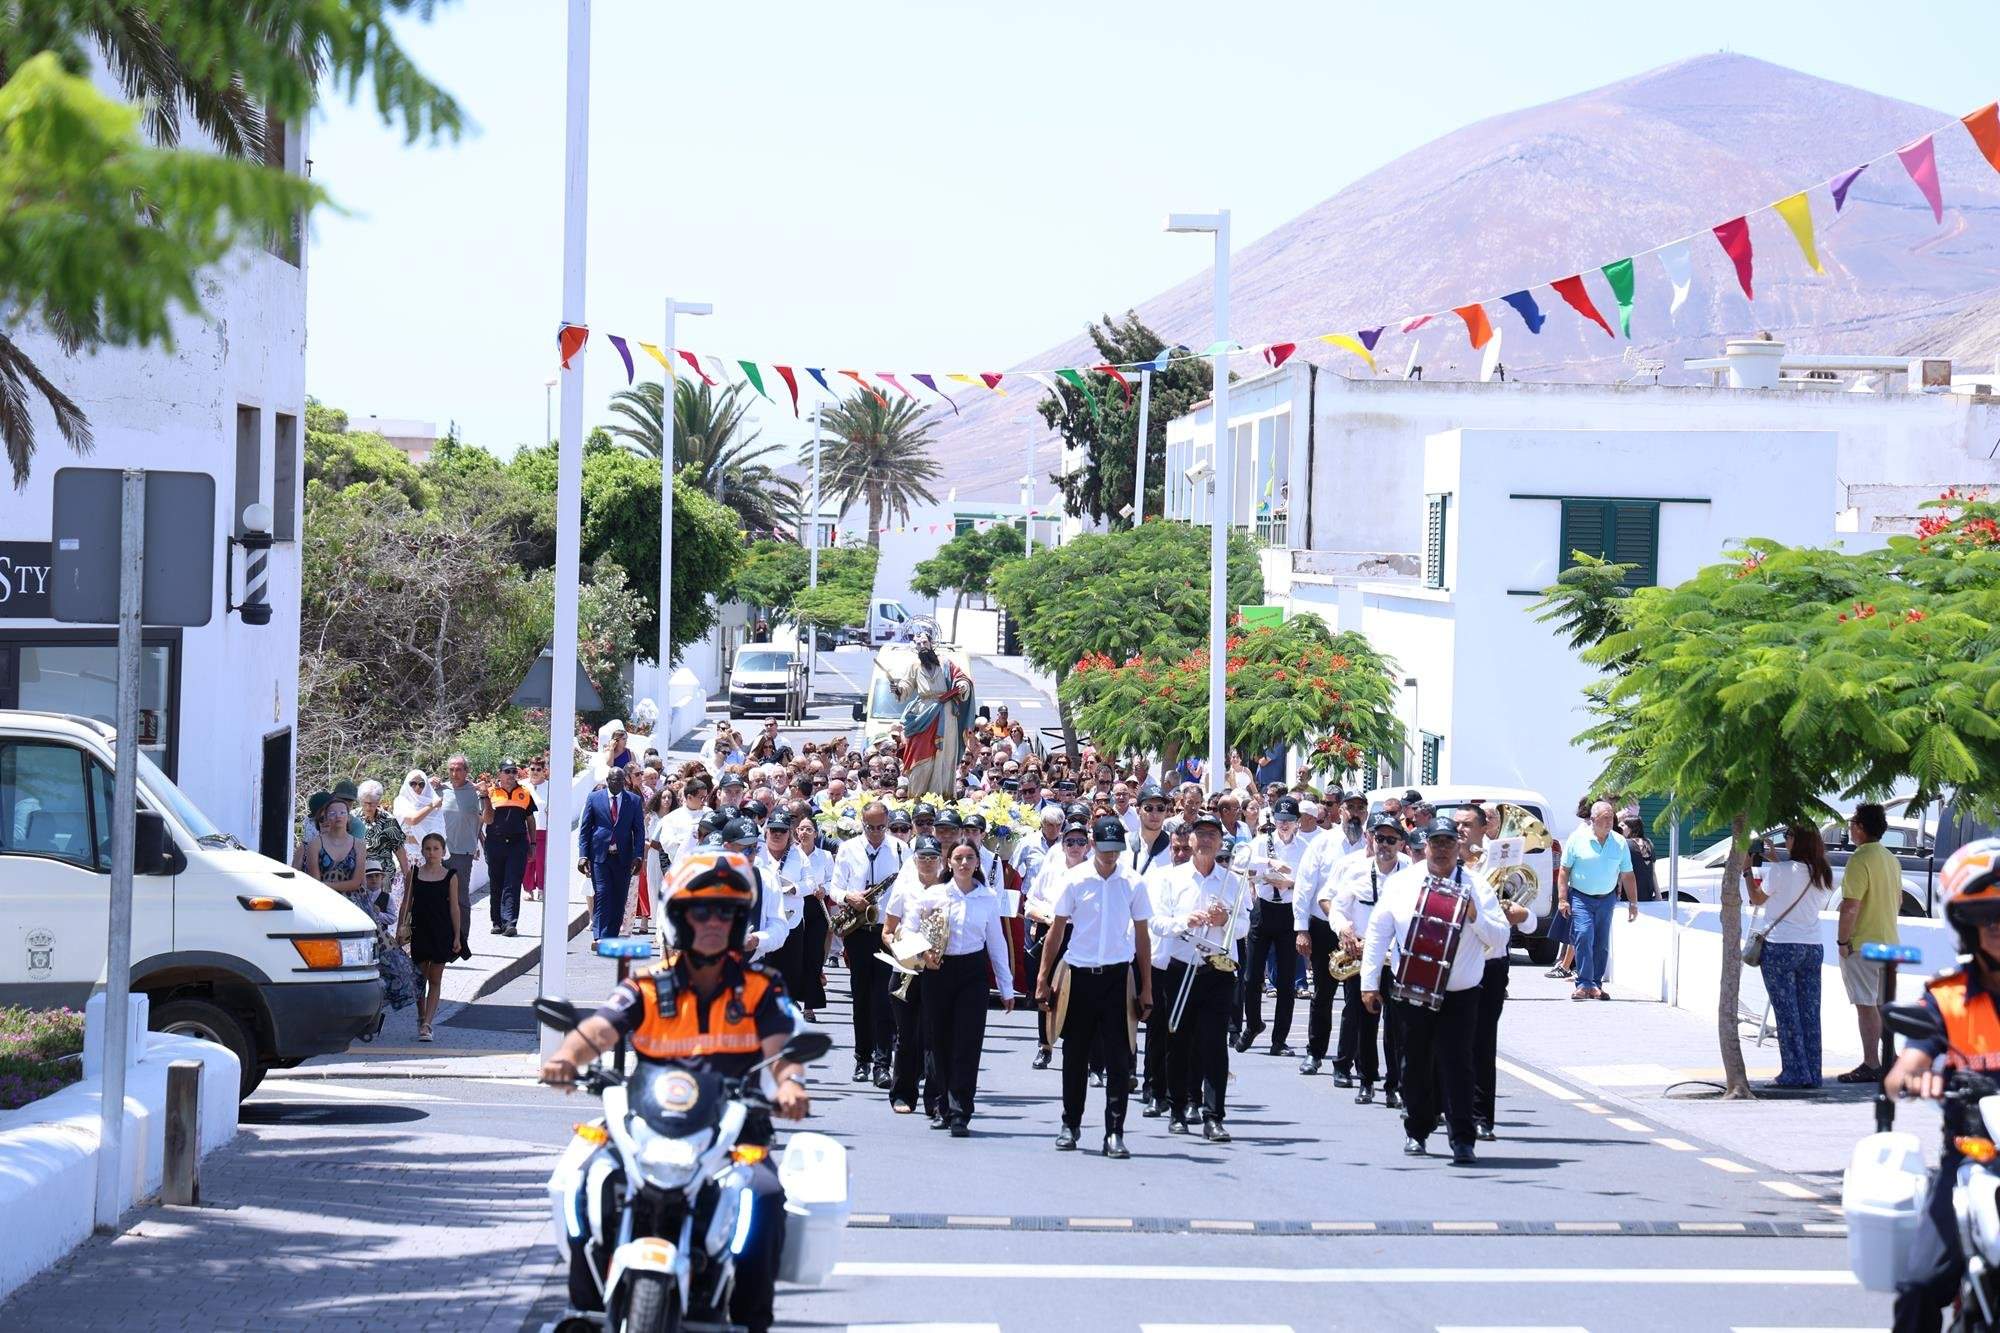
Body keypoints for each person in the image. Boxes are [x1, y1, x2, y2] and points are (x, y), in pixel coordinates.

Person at [540, 850, 809, 1333]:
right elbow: (602, 1028)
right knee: (581, 1180)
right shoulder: (649, 984)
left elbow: (781, 1050)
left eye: (726, 912)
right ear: (680, 917)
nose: (714, 921)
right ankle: (583, 1307)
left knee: (765, 1196)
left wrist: (788, 1085)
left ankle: (751, 1321)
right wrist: (565, 1060)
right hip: (647, 1121)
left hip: (734, 1131)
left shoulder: (760, 989)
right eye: (701, 910)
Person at [1879, 838, 2000, 1333]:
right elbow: (1903, 1067)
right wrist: (1914, 1077)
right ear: (1967, 926)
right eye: (1989, 918)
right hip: (1972, 1161)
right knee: (1919, 1286)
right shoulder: (1947, 997)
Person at [1360, 817, 1512, 1165]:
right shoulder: (1401, 883)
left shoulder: (1477, 886)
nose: (1441, 849)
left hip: (1460, 994)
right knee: (1413, 1063)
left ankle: (1462, 1139)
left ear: (1458, 847)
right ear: (1424, 846)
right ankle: (1417, 1130)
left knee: (1459, 1064)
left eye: (1448, 843)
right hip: (1412, 990)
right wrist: (1369, 984)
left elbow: (1500, 939)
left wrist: (1476, 916)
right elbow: (1378, 933)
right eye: (1436, 843)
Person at [1036, 815, 1153, 1158]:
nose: (1110, 856)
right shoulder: (1074, 880)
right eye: (1104, 849)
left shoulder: (1133, 883)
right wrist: (1043, 979)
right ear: (1092, 845)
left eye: (1115, 850)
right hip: (1078, 976)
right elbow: (1056, 931)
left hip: (1118, 977)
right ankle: (1070, 1124)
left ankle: (1114, 1132)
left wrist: (1146, 987)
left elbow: (1143, 937)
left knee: (1120, 1057)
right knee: (1075, 1054)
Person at [1152, 811, 1251, 1139]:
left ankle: (1213, 1116)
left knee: (1214, 1045)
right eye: (1201, 834)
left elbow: (1244, 927)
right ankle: (1177, 1109)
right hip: (1182, 967)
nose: (1206, 839)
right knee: (1177, 1041)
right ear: (1189, 839)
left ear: (1221, 841)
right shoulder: (1170, 878)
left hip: (1218, 969)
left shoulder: (1233, 881)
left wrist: (1224, 920)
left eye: (1213, 834)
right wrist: (1187, 921)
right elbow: (1158, 923)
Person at [910, 843, 1015, 1135]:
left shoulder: (987, 897)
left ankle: (960, 1111)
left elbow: (996, 943)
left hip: (972, 972)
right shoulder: (935, 895)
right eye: (959, 858)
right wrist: (922, 953)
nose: (964, 863)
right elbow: (910, 928)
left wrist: (1006, 986)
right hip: (938, 970)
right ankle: (942, 1104)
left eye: (970, 858)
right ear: (949, 862)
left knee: (967, 1042)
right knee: (938, 1040)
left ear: (977, 862)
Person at [1457, 806, 1536, 1140]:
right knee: (1446, 1039)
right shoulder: (1440, 862)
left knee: (1482, 1041)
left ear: (1485, 828)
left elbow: (1528, 920)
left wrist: (1516, 914)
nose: (1460, 830)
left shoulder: (1503, 865)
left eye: (1468, 824)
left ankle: (1480, 1116)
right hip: (1453, 961)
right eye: (1456, 824)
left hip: (1491, 962)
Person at [1747, 823, 1834, 1090]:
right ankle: (1812, 1071)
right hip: (1812, 946)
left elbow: (1757, 899)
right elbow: (1795, 881)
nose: (1785, 839)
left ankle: (1794, 1072)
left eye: (1789, 836)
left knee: (1787, 1013)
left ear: (1800, 841)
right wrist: (1777, 861)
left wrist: (1745, 870)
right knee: (1810, 1012)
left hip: (1781, 945)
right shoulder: (1823, 872)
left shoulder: (1780, 871)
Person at [1329, 813, 1407, 1103]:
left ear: (1401, 843)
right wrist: (1344, 928)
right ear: (1371, 839)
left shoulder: (1410, 872)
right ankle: (1366, 1080)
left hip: (1397, 959)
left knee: (1396, 1026)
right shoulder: (1356, 871)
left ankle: (1394, 1086)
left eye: (1391, 839)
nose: (1384, 844)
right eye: (1379, 838)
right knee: (1365, 1022)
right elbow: (1337, 907)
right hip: (1363, 955)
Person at [831, 800, 905, 1086]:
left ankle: (882, 1062)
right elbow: (836, 887)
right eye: (869, 827)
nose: (875, 833)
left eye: (880, 827)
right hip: (859, 930)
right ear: (861, 824)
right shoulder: (849, 849)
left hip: (887, 929)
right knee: (861, 996)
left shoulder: (900, 849)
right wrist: (849, 897)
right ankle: (862, 1058)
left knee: (884, 998)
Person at [881, 834, 948, 1119]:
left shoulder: (949, 890)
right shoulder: (904, 888)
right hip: (906, 969)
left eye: (933, 857)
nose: (928, 862)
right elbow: (887, 931)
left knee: (935, 1038)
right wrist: (903, 950)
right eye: (923, 857)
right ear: (915, 859)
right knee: (907, 1036)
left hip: (937, 970)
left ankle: (934, 1098)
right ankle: (902, 1093)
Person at [1239, 797, 1308, 1056]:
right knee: (1251, 975)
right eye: (1280, 820)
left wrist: (1288, 884)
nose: (1284, 825)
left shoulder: (1304, 847)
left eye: (1289, 821)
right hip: (1264, 909)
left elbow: (1307, 882)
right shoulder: (1262, 842)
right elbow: (1243, 865)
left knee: (1287, 979)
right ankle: (1253, 1024)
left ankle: (1279, 1040)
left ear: (1297, 822)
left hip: (1288, 913)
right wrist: (1268, 866)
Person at [1839, 802, 1902, 1083]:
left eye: (1852, 824)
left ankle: (1872, 1062)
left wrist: (1843, 941)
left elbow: (1850, 906)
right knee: (1883, 1005)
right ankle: (1891, 1057)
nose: (1850, 829)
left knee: (1866, 1005)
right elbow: (1898, 900)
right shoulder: (1891, 859)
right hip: (1890, 941)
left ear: (1861, 827)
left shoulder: (1859, 859)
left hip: (1863, 944)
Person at [1024, 817, 1091, 1070]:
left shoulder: (1094, 871)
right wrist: (1046, 917)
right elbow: (1031, 901)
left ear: (1088, 845)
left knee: (1080, 992)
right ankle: (1045, 1045)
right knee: (1047, 987)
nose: (1075, 846)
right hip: (1053, 931)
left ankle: (1080, 1049)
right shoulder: (1051, 870)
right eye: (1070, 841)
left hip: (1082, 935)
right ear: (1062, 844)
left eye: (1080, 841)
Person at [1292, 804, 1354, 1076]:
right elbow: (1305, 887)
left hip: (1358, 932)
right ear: (1340, 812)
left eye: (1361, 808)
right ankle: (1315, 1053)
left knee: (1355, 998)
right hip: (1324, 926)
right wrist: (1301, 929)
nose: (1355, 813)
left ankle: (1347, 1061)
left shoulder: (1371, 844)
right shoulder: (1323, 843)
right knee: (1323, 994)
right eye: (1350, 808)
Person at [1555, 800, 1637, 1001]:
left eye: (1612, 817)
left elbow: (1627, 874)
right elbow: (1564, 871)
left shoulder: (1619, 842)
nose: (1610, 822)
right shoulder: (1576, 839)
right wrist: (1562, 899)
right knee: (1583, 935)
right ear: (1593, 819)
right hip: (1581, 897)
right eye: (1605, 818)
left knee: (1601, 942)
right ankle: (1583, 983)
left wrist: (1634, 903)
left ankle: (1595, 984)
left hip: (1607, 898)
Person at [890, 627, 975, 798]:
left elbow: (961, 678)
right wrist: (897, 689)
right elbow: (906, 686)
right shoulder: (914, 666)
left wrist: (963, 685)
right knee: (919, 754)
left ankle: (942, 796)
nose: (922, 646)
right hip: (923, 713)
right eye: (918, 644)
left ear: (932, 644)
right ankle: (917, 797)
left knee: (944, 755)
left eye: (924, 642)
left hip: (946, 711)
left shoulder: (946, 663)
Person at [578, 766, 644, 942]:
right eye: (614, 780)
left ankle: (611, 935)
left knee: (619, 896)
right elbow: (585, 829)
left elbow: (639, 831)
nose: (618, 783)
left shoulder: (634, 801)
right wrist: (583, 855)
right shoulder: (594, 798)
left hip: (623, 857)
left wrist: (638, 855)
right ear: (608, 781)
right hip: (600, 855)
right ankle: (599, 935)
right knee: (603, 893)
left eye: (621, 780)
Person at [407, 832, 463, 1041]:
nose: (431, 853)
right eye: (428, 849)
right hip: (419, 930)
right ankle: (421, 1015)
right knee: (420, 978)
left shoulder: (450, 876)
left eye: (436, 849)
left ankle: (428, 1023)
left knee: (435, 978)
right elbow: (406, 903)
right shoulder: (414, 873)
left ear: (443, 852)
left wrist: (457, 936)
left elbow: (454, 908)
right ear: (422, 851)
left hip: (441, 931)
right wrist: (400, 932)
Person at [479, 759, 537, 939]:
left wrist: (533, 844)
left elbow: (530, 820)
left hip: (517, 843)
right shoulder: (490, 792)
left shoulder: (525, 793)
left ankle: (510, 922)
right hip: (495, 843)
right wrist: (485, 798)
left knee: (512, 883)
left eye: (514, 771)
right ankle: (496, 922)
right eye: (507, 771)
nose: (511, 775)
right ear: (500, 774)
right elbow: (486, 819)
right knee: (496, 882)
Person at [438, 755, 483, 957]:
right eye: (451, 770)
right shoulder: (440, 790)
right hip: (438, 853)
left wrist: (478, 840)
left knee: (461, 898)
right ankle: (442, 938)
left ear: (466, 771)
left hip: (462, 853)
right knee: (439, 897)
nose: (454, 774)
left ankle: (461, 939)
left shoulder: (474, 792)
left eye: (458, 769)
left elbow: (487, 818)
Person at [395, 768, 446, 880]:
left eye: (421, 784)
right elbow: (412, 820)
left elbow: (439, 830)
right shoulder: (401, 801)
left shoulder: (432, 800)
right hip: (407, 855)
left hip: (428, 855)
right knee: (405, 893)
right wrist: (432, 806)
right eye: (413, 783)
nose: (417, 787)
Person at [523, 758, 552, 903]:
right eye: (532, 768)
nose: (534, 772)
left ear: (544, 771)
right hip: (525, 829)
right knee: (528, 860)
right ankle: (528, 889)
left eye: (538, 769)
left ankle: (541, 888)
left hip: (542, 828)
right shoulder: (522, 786)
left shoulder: (550, 787)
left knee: (541, 861)